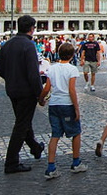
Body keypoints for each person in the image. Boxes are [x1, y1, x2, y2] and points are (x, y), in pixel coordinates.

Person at [0, 15, 45, 174]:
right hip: (26, 92)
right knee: (21, 125)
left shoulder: (7, 44)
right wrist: (40, 94)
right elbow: (33, 74)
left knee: (23, 122)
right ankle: (11, 162)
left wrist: (12, 79)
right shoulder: (29, 45)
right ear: (32, 28)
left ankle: (35, 148)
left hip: (12, 90)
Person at [38, 43, 87, 179]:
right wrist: (76, 108)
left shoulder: (52, 69)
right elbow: (71, 90)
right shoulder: (72, 70)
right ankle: (76, 162)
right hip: (67, 104)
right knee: (76, 132)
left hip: (54, 105)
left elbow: (47, 88)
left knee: (55, 135)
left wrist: (41, 99)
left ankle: (51, 167)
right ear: (72, 55)